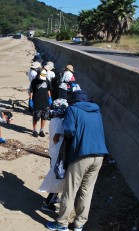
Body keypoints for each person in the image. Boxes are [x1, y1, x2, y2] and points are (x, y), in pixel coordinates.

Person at [46, 90, 109, 231]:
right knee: (87, 191)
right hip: (99, 155)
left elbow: (69, 131)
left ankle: (61, 223)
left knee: (70, 191)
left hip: (81, 155)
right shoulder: (97, 111)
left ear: (73, 101)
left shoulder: (72, 110)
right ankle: (79, 224)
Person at [39, 98, 68, 213]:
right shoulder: (59, 121)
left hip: (53, 151)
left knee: (55, 175)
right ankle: (48, 203)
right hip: (57, 152)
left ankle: (54, 197)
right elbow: (56, 138)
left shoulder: (55, 119)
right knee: (57, 177)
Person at [29, 69, 52, 137]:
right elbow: (31, 91)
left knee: (44, 117)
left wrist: (50, 98)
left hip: (45, 101)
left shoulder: (47, 80)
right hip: (37, 102)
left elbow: (48, 90)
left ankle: (41, 130)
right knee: (36, 117)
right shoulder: (34, 81)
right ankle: (34, 130)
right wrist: (31, 100)